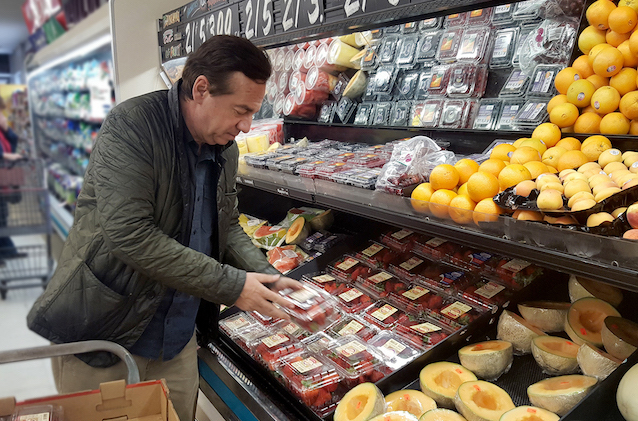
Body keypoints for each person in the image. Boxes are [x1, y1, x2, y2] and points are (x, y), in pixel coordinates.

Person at [27, 35, 301, 421]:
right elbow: (129, 234)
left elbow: (225, 226)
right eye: (240, 109)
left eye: (254, 112)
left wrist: (267, 279)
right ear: (201, 89)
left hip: (176, 341)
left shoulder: (225, 148)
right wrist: (233, 286)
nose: (247, 125)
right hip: (104, 333)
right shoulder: (132, 126)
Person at [0, 96, 24, 265]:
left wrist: (6, 129)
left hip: (2, 180)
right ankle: (7, 251)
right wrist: (4, 155)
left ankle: (8, 251)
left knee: (2, 216)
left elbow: (13, 143)